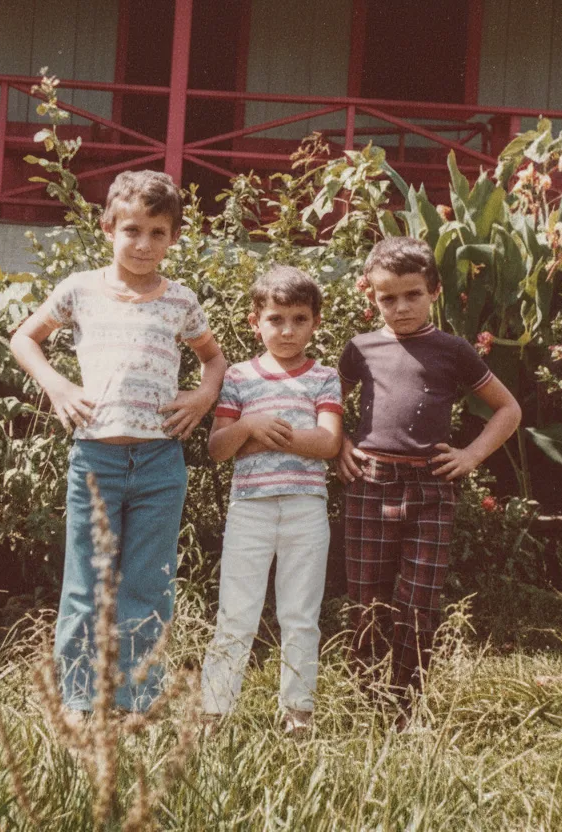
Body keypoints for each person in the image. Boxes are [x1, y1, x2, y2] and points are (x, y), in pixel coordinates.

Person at [10, 169, 227, 713]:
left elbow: (214, 358)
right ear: (108, 227)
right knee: (87, 587)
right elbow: (24, 339)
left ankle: (137, 701)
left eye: (158, 232)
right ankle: (80, 704)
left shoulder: (180, 301)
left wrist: (203, 398)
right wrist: (57, 387)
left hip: (160, 460)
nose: (143, 244)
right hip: (96, 459)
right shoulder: (79, 290)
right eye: (132, 230)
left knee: (147, 589)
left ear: (174, 237)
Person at [336, 236, 521, 719]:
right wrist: (339, 445)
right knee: (366, 597)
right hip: (369, 484)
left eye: (412, 295)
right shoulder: (359, 349)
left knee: (419, 601)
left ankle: (405, 705)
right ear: (371, 297)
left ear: (434, 290)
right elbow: (327, 404)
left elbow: (509, 409)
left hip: (431, 489)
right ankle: (364, 700)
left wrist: (472, 455)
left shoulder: (454, 350)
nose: (400, 308)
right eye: (387, 298)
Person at [200, 266, 343, 734]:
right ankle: (216, 710)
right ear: (254, 321)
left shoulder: (324, 377)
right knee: (235, 612)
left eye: (299, 319)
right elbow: (218, 449)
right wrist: (246, 429)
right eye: (275, 318)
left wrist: (264, 438)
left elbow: (328, 445)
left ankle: (298, 710)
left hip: (305, 507)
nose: (286, 330)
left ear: (316, 322)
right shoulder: (240, 378)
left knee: (299, 613)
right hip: (251, 509)